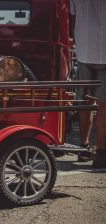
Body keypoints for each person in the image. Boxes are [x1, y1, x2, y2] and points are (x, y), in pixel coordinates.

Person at [70, 0, 106, 167]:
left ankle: (83, 148)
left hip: (84, 50)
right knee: (104, 105)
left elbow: (72, 15)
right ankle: (101, 152)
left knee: (86, 103)